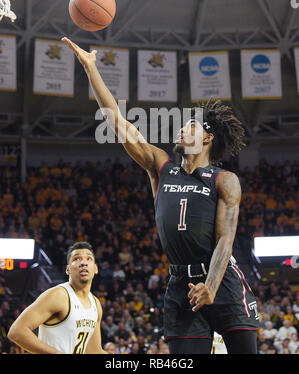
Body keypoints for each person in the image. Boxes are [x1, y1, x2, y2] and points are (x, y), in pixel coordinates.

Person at [61, 37, 259, 354]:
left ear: (207, 138)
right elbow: (117, 122)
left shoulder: (225, 180)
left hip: (223, 283)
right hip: (181, 285)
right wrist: (91, 70)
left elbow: (225, 239)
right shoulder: (161, 167)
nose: (181, 127)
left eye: (191, 125)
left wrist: (211, 286)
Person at [8, 242, 106, 354]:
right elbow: (17, 331)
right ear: (68, 269)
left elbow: (94, 350)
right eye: (77, 259)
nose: (83, 263)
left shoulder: (95, 304)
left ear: (95, 269)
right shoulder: (58, 295)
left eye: (89, 259)